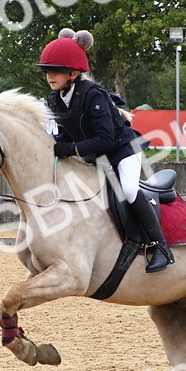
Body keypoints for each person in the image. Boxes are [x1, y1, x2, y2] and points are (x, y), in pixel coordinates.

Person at [40, 28, 172, 272]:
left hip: (122, 149)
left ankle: (161, 247)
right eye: (47, 71)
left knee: (130, 190)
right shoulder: (55, 99)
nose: (50, 76)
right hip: (97, 155)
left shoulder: (93, 95)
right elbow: (67, 133)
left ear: (73, 73)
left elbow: (105, 138)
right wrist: (50, 144)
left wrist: (70, 149)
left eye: (56, 71)